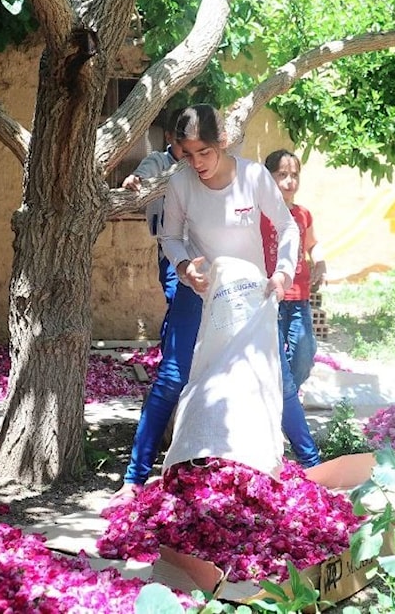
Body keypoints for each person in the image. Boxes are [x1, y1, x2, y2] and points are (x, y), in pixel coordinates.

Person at [111, 105, 321, 504]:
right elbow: (170, 238)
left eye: (204, 152)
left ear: (222, 143)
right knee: (172, 377)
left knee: (279, 379)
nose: (197, 163)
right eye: (187, 154)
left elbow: (288, 225)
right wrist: (186, 267)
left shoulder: (254, 176)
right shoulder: (181, 183)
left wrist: (282, 272)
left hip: (252, 295)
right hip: (201, 292)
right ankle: (134, 479)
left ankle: (312, 466)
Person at [261, 150, 327, 392]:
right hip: (269, 299)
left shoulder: (302, 214)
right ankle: (280, 399)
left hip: (299, 298)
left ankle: (286, 391)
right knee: (272, 354)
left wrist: (320, 263)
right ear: (268, 178)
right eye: (283, 174)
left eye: (295, 175)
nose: (291, 181)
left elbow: (312, 244)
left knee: (304, 354)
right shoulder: (259, 213)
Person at [121, 110, 184, 343]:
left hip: (200, 246)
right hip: (170, 248)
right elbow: (142, 175)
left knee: (190, 308)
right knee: (176, 297)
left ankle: (178, 356)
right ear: (168, 137)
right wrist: (135, 179)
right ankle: (171, 356)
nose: (186, 148)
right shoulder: (158, 161)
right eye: (180, 141)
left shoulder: (199, 164)